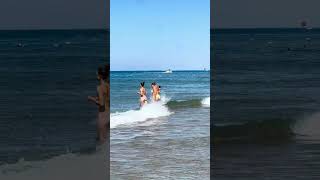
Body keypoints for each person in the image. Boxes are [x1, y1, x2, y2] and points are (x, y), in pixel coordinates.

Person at [88, 67, 107, 144]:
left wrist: (91, 99)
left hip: (102, 114)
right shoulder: (108, 85)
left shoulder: (99, 87)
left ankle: (99, 155)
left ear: (100, 76)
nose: (96, 75)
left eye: (97, 74)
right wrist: (97, 97)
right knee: (106, 138)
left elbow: (101, 104)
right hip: (108, 113)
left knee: (101, 138)